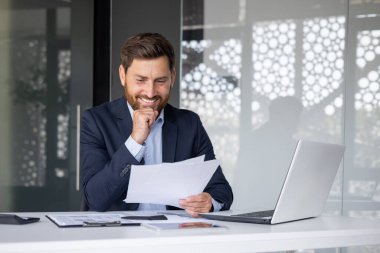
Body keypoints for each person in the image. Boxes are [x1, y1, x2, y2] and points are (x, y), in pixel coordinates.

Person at [80, 33, 233, 217]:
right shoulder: (96, 121)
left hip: (173, 236)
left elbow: (222, 190)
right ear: (123, 75)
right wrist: (135, 142)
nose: (150, 92)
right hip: (117, 237)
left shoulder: (189, 124)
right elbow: (96, 198)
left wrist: (209, 201)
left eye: (160, 81)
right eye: (140, 80)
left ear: (172, 77)